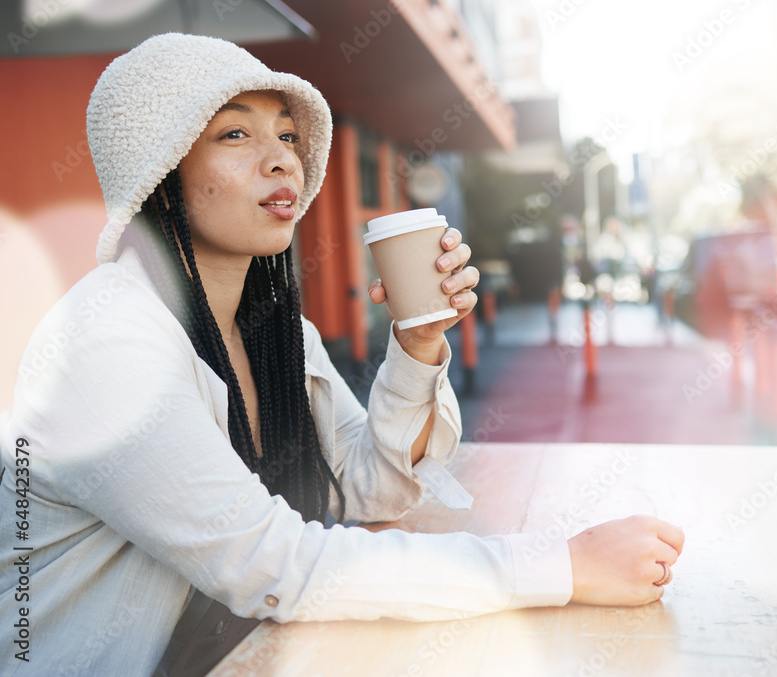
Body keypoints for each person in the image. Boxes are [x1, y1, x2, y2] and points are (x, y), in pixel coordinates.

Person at [0, 33, 684, 675]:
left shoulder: (273, 329)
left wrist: (417, 343)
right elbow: (277, 565)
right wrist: (559, 566)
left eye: (288, 135)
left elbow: (367, 487)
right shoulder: (107, 338)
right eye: (235, 132)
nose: (281, 159)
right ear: (159, 170)